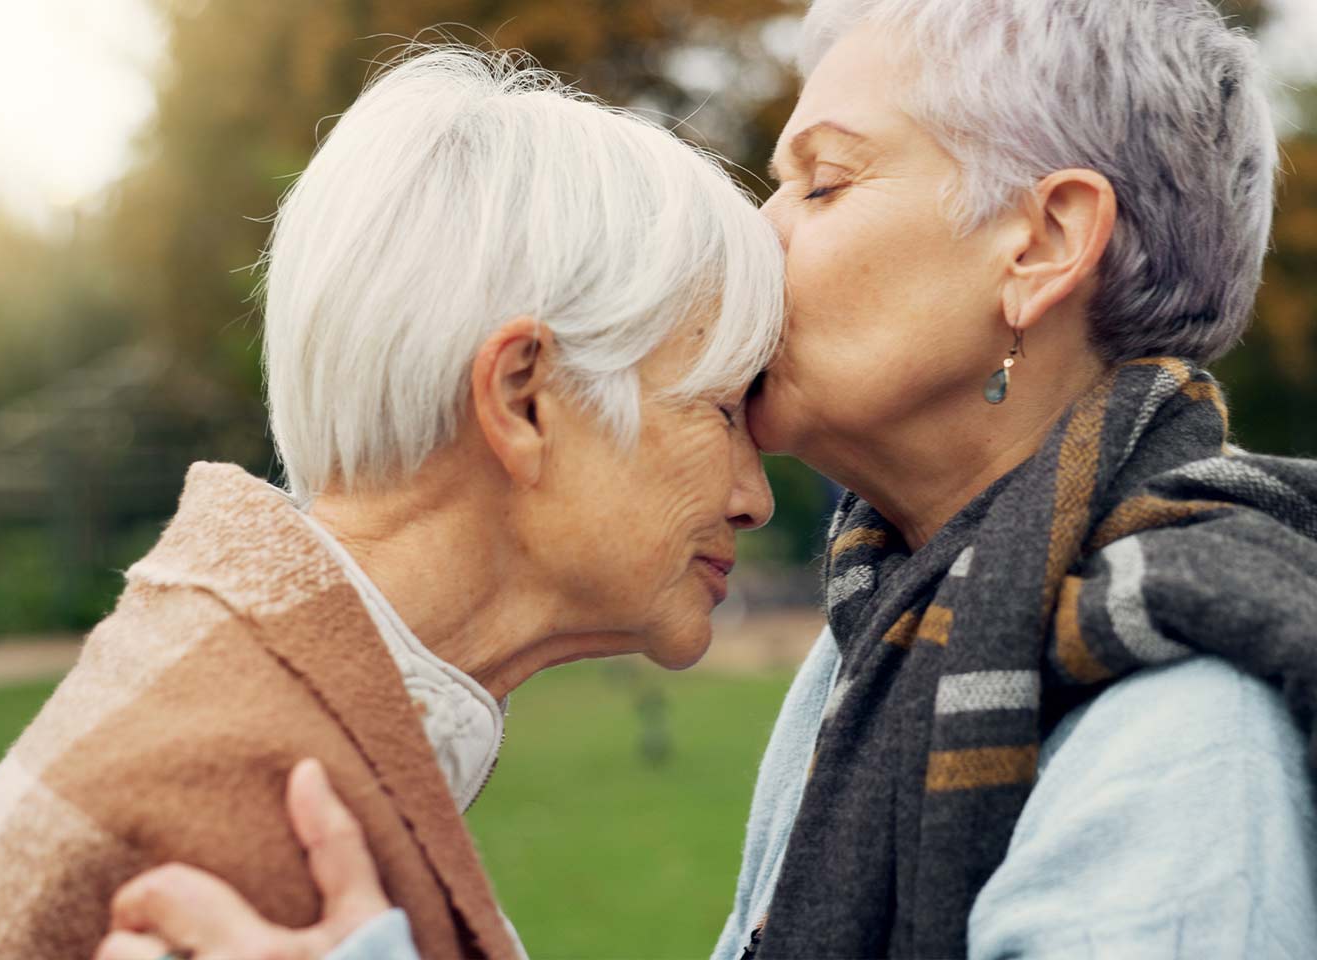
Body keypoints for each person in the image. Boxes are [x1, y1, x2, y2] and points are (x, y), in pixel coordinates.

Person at [98, 0, 1317, 956]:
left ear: (1042, 242)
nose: (760, 229)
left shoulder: (1181, 729)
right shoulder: (881, 635)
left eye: (823, 182)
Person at [0, 47, 787, 960]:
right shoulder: (246, 824)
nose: (751, 495)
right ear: (523, 398)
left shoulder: (258, 704)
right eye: (720, 409)